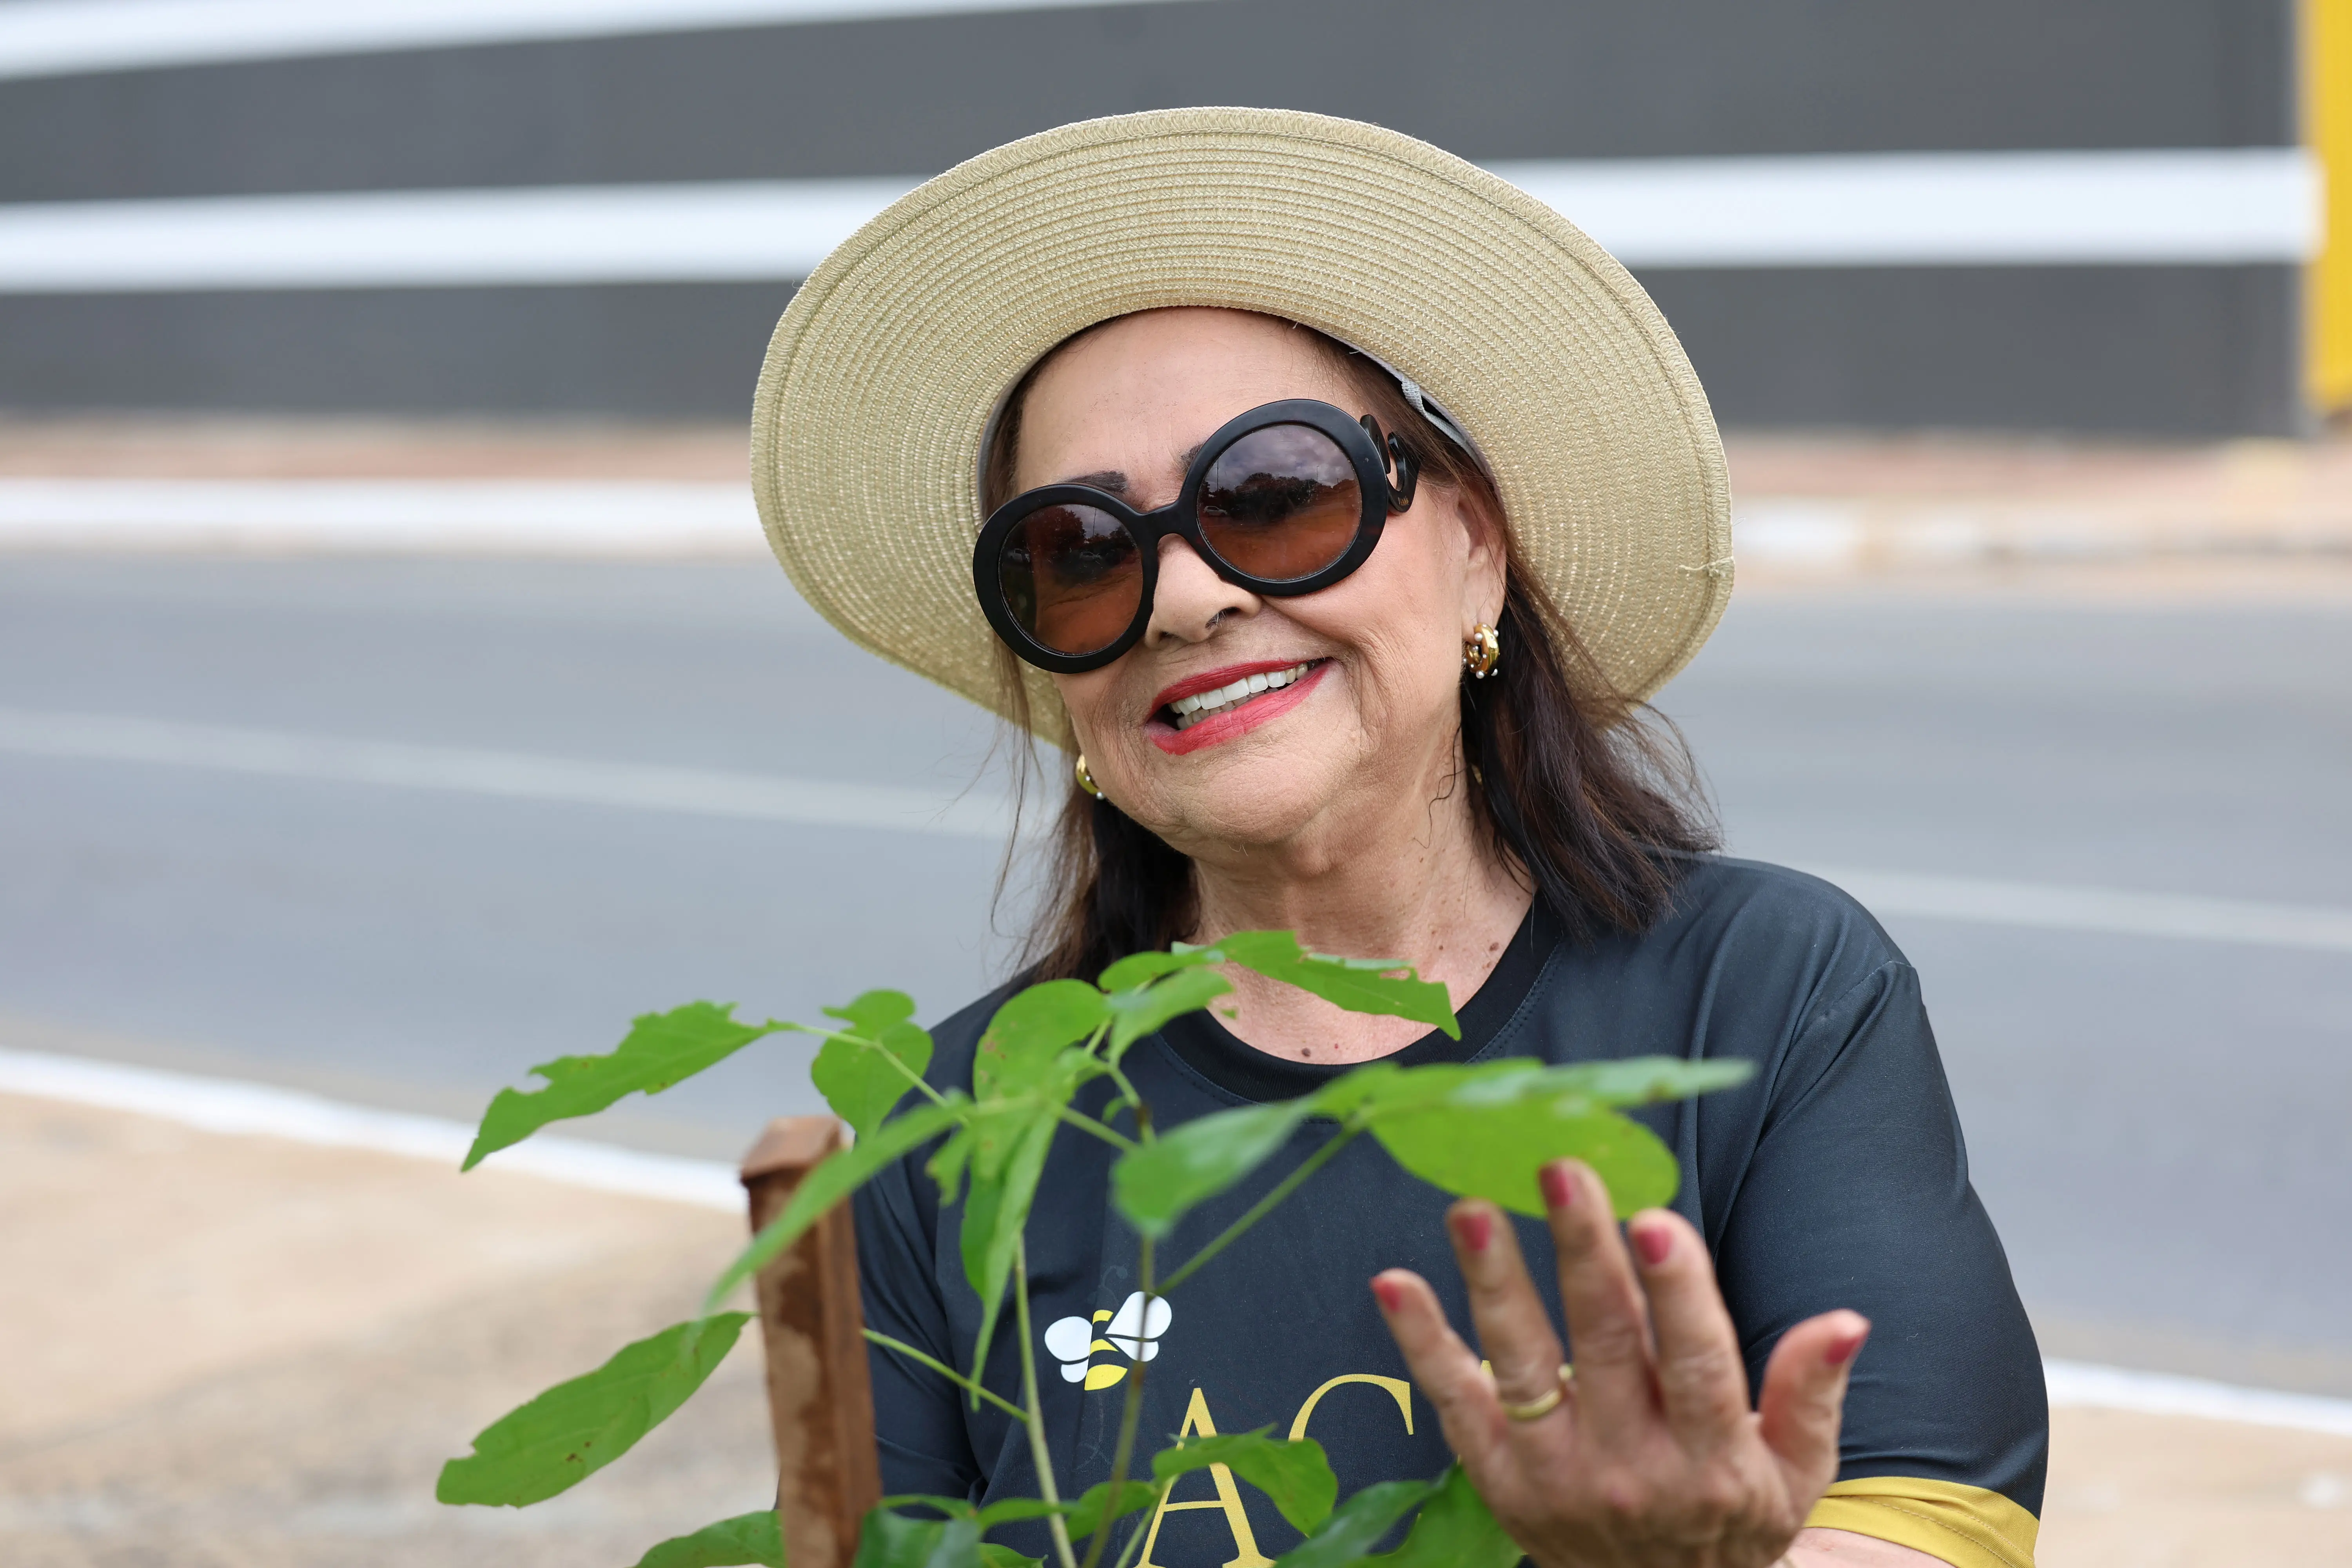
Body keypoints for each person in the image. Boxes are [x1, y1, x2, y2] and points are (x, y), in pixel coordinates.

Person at [751, 109, 2045, 1568]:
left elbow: (1927, 1526)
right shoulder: (952, 1126)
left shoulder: (1770, 992)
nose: (1183, 602)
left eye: (1274, 497)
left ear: (1477, 549)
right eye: (1080, 555)